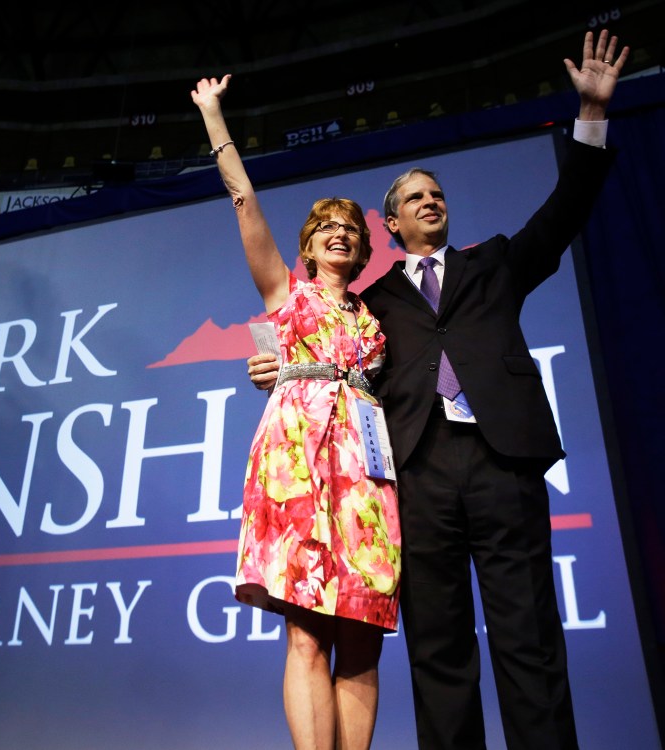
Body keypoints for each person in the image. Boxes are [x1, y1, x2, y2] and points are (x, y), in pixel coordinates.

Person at [246, 28, 628, 750]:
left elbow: (570, 205)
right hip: (416, 475)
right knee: (439, 650)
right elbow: (298, 326)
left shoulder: (497, 265)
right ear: (388, 224)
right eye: (414, 196)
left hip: (502, 464)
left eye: (437, 194)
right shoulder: (375, 299)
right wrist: (266, 364)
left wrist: (592, 116)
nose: (430, 201)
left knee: (529, 639)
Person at [192, 74, 402, 750]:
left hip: (367, 480)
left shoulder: (377, 318)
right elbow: (244, 202)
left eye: (350, 230)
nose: (340, 235)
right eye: (326, 229)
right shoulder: (287, 294)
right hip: (298, 466)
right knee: (307, 630)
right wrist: (214, 117)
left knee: (364, 635)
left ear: (364, 251)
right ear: (309, 247)